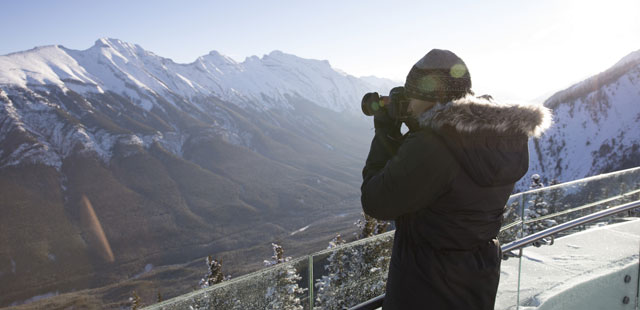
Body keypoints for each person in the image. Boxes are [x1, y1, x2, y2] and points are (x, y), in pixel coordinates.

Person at [361, 49, 551, 309]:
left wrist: (386, 134)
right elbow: (451, 185)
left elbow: (375, 201)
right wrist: (425, 127)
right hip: (476, 280)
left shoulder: (433, 146)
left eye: (412, 94)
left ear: (432, 96)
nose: (409, 104)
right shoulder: (500, 137)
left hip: (425, 287)